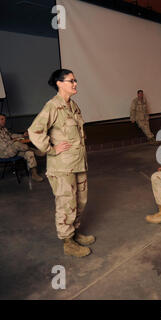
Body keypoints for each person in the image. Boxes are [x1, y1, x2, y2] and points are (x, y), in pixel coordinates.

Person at [28, 69, 95, 258]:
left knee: (80, 201)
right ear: (59, 83)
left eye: (75, 80)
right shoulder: (52, 106)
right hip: (62, 167)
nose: (75, 84)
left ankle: (74, 233)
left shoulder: (73, 106)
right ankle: (67, 242)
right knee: (66, 203)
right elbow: (34, 131)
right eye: (71, 80)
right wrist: (51, 149)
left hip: (78, 163)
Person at [0, 113, 43, 182]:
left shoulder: (3, 129)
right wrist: (14, 141)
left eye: (4, 119)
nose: (4, 121)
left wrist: (22, 135)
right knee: (17, 144)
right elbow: (3, 145)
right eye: (1, 119)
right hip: (4, 153)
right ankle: (35, 150)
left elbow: (11, 135)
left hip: (11, 150)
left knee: (29, 153)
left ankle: (34, 174)